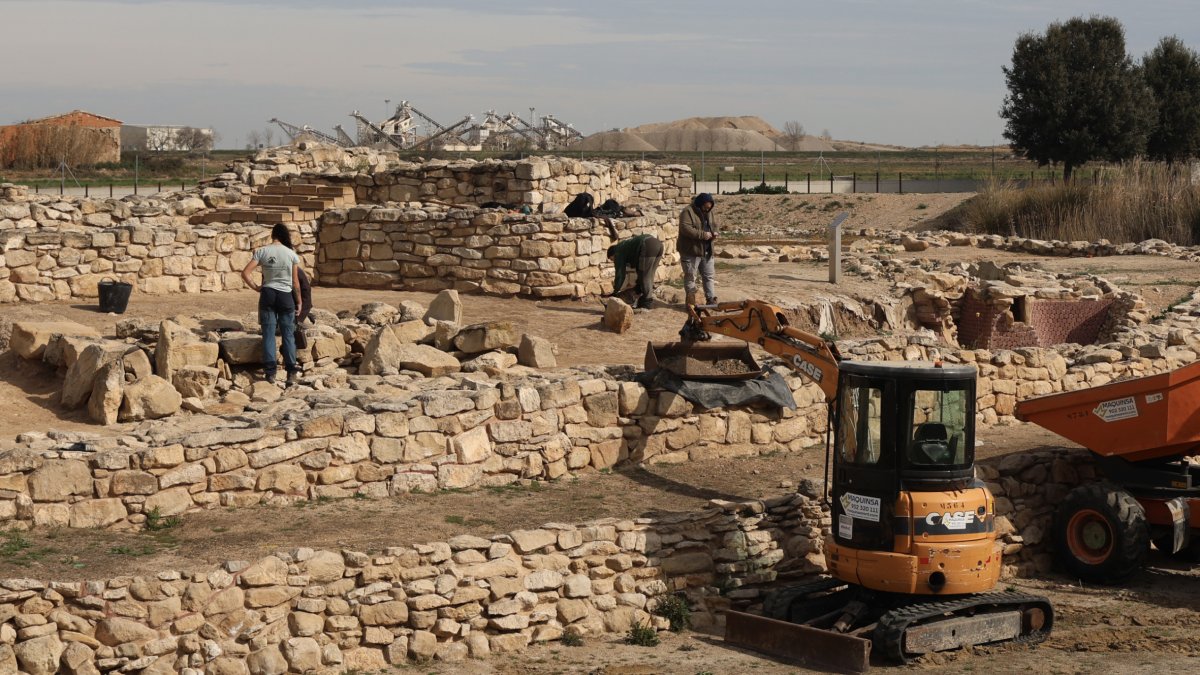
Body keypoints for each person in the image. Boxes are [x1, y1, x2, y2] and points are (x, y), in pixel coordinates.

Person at [241, 224, 302, 385]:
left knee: (268, 334)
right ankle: (291, 373)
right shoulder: (291, 254)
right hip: (285, 296)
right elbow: (295, 282)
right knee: (288, 334)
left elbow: (245, 273)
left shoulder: (262, 251)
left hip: (267, 294)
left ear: (272, 235)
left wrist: (256, 287)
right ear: (284, 236)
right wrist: (299, 301)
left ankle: (270, 373)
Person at [678, 192, 720, 306]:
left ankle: (711, 299)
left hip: (707, 251)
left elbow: (715, 225)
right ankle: (692, 303)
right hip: (691, 251)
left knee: (709, 276)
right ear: (700, 204)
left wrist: (714, 233)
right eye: (705, 207)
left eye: (709, 208)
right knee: (691, 277)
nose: (707, 210)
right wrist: (702, 235)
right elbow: (685, 228)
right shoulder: (688, 211)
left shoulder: (709, 212)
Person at [606, 234, 663, 310]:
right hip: (658, 244)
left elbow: (620, 274)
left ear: (612, 254)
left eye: (611, 259)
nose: (613, 261)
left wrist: (615, 291)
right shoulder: (625, 247)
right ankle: (644, 298)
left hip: (647, 245)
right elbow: (638, 266)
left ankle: (647, 302)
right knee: (649, 274)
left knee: (645, 276)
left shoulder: (618, 252)